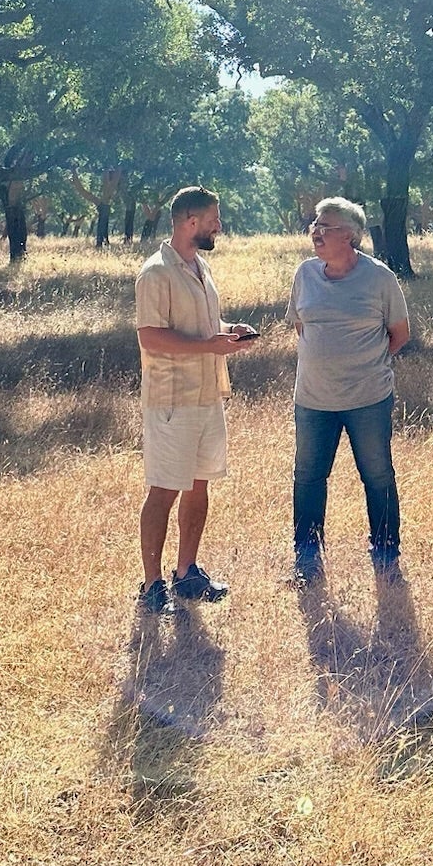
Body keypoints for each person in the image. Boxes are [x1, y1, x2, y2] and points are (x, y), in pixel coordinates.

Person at [134, 185, 257, 612]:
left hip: (208, 395)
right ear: (191, 222)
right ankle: (152, 586)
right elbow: (150, 336)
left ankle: (187, 572)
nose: (218, 226)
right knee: (164, 490)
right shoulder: (156, 273)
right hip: (172, 401)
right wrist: (210, 346)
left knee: (199, 484)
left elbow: (199, 324)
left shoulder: (199, 266)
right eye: (213, 220)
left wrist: (227, 330)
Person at [286, 196, 411, 580]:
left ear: (351, 237)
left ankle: (386, 552)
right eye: (315, 225)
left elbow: (400, 334)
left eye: (327, 227)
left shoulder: (379, 278)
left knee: (376, 475)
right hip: (312, 399)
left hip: (367, 399)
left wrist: (364, 366)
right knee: (308, 476)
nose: (316, 232)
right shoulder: (305, 274)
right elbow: (300, 325)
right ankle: (307, 557)